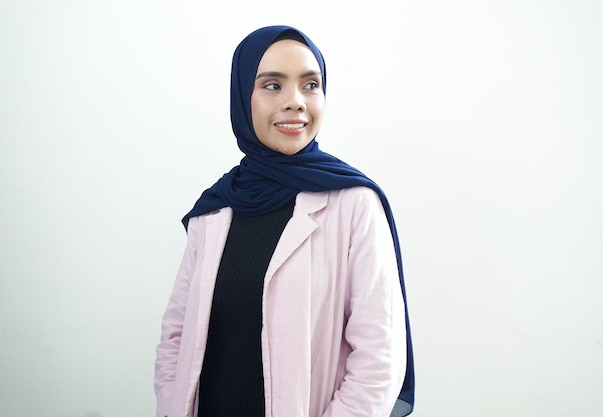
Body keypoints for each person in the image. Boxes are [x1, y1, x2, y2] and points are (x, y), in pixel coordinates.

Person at [154, 25, 415, 417]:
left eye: (310, 85)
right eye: (272, 85)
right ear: (243, 97)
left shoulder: (354, 204)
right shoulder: (215, 207)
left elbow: (379, 358)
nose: (296, 102)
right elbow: (176, 337)